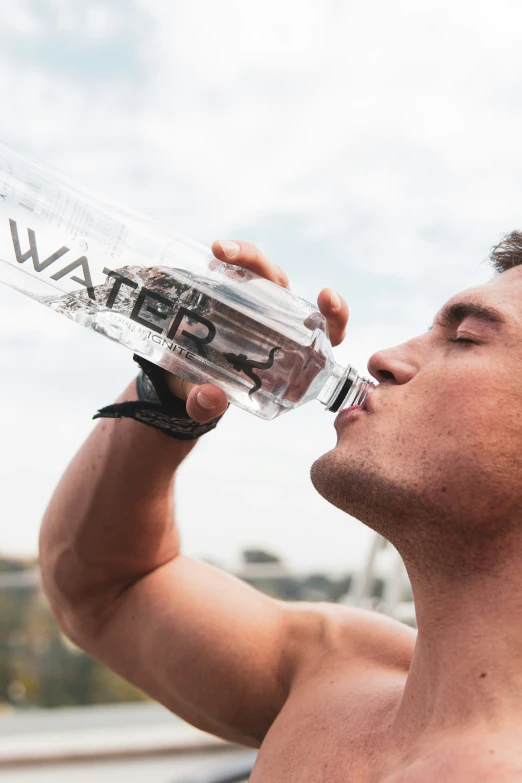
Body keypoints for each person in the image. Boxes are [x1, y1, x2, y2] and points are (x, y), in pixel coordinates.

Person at [39, 234, 522, 781]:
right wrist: (170, 389)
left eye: (465, 338)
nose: (382, 359)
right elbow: (107, 589)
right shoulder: (338, 673)